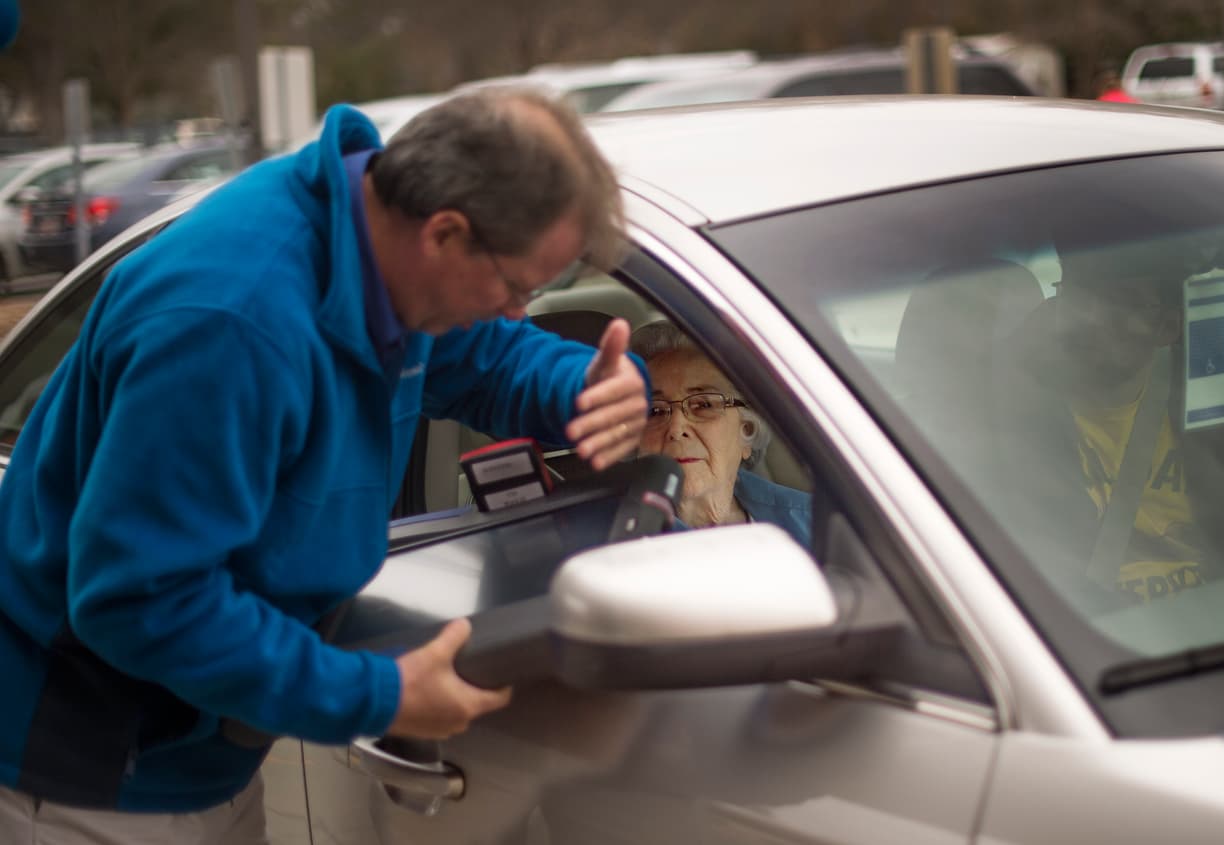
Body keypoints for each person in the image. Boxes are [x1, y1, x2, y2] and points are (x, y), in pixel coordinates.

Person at [0, 87, 650, 842]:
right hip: (91, 776)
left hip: (199, 758)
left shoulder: (383, 259)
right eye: (517, 288)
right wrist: (379, 694)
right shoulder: (229, 324)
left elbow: (486, 355)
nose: (517, 310)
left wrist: (585, 388)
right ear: (444, 232)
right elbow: (140, 602)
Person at [1002, 254, 1224, 603]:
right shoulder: (1001, 423)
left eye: (1123, 302)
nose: (1091, 317)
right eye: (1079, 294)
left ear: (1166, 327)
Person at [630, 320, 811, 547]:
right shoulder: (610, 545)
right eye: (655, 410)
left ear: (747, 430)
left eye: (704, 405)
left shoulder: (808, 523)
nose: (676, 429)